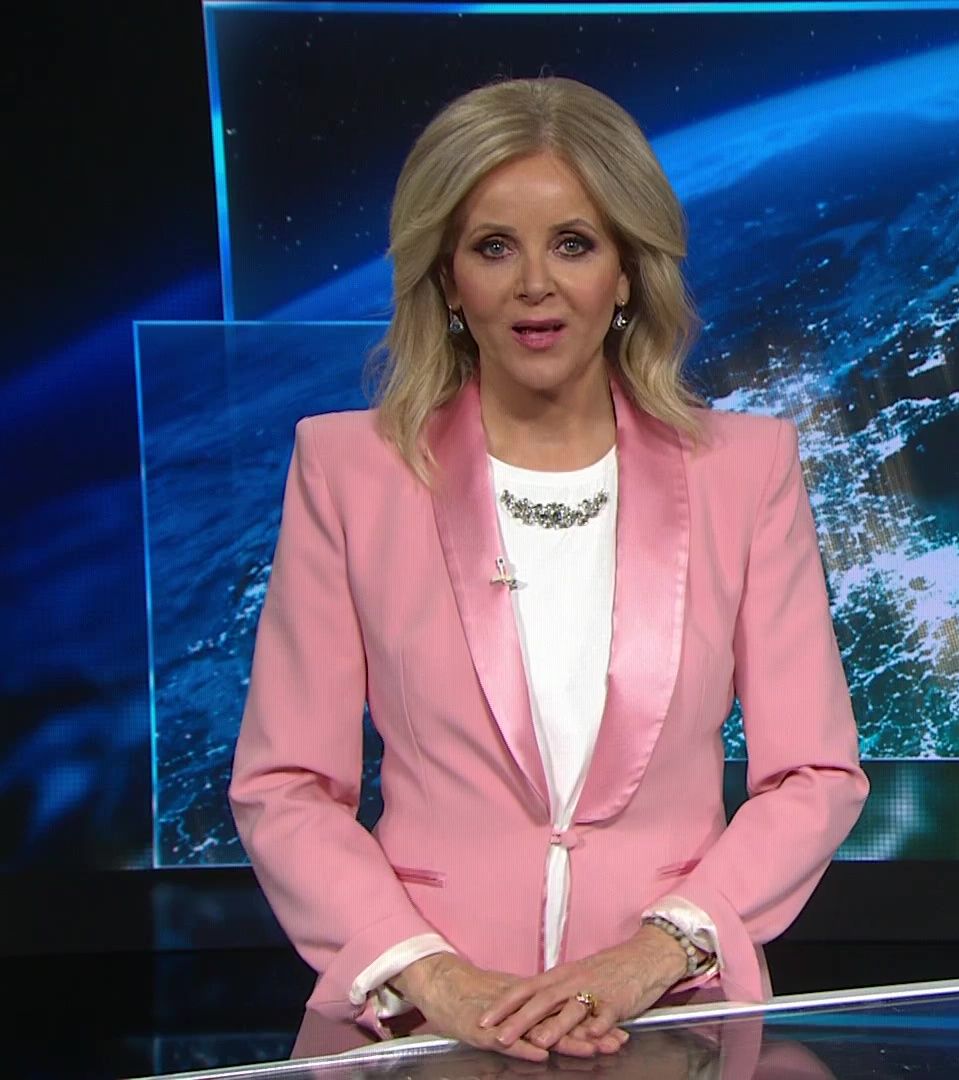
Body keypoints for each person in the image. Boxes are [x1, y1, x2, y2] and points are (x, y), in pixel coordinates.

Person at [228, 76, 869, 1062]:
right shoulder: (350, 469)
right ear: (448, 279)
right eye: (494, 247)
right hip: (423, 1030)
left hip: (672, 1024)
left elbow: (813, 773)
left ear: (628, 271)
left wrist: (657, 953)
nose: (536, 283)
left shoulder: (746, 469)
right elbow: (285, 784)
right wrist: (434, 976)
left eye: (574, 243)